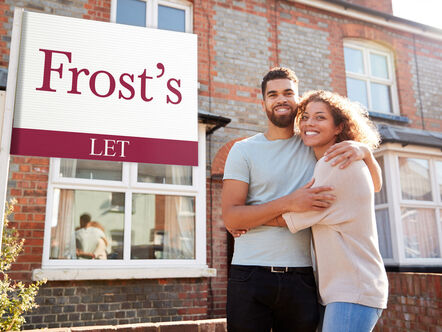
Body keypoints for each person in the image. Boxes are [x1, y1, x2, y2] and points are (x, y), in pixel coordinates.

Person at [222, 67, 382, 332]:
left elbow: (372, 187)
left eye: (288, 93)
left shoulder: (315, 145)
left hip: (303, 276)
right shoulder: (243, 150)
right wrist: (289, 202)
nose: (280, 99)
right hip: (249, 272)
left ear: (298, 101)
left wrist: (365, 152)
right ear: (263, 102)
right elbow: (231, 217)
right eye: (272, 94)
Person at [269, 90, 388, 331]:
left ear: (338, 127)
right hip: (347, 289)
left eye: (320, 117)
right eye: (305, 116)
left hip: (352, 290)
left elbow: (287, 220)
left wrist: (244, 218)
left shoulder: (334, 164)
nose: (309, 123)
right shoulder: (347, 159)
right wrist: (365, 152)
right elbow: (376, 186)